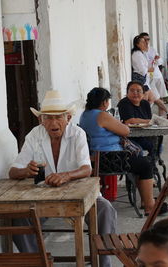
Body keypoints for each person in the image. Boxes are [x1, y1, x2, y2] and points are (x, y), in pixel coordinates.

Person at [9, 90, 116, 267]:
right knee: (18, 216)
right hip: (42, 199)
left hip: (79, 193)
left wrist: (66, 176)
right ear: (41, 120)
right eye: (48, 118)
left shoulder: (77, 134)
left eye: (58, 117)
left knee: (105, 209)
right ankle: (38, 261)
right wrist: (26, 171)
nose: (53, 122)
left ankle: (103, 262)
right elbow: (13, 171)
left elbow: (86, 169)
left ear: (68, 118)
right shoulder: (34, 135)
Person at [79, 87, 168, 216]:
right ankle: (150, 206)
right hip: (111, 158)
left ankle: (146, 201)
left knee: (139, 162)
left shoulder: (85, 115)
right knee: (146, 165)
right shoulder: (102, 115)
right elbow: (125, 131)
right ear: (104, 102)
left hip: (96, 157)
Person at [132, 35, 168, 120]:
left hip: (146, 79)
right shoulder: (137, 54)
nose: (145, 43)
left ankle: (164, 113)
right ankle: (143, 117)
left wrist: (154, 62)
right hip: (141, 80)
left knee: (152, 98)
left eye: (146, 41)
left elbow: (157, 62)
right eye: (143, 42)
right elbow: (142, 70)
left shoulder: (143, 52)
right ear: (137, 44)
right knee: (146, 100)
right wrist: (149, 69)